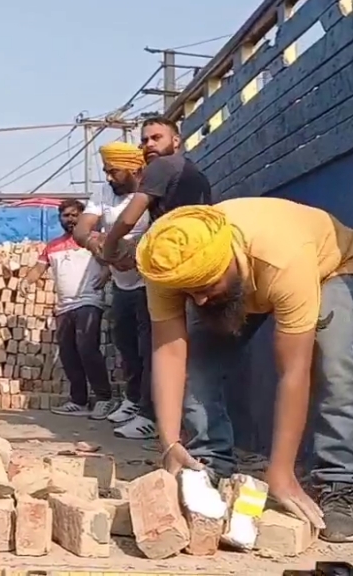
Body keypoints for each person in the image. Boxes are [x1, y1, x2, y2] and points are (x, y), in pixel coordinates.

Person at [136, 198, 353, 542]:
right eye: (190, 292)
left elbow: (294, 371)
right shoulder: (168, 261)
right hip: (252, 278)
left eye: (207, 287)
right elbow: (170, 352)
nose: (201, 300)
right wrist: (169, 442)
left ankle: (339, 480)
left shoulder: (283, 258)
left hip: (330, 267)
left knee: (338, 369)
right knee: (198, 361)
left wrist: (279, 471)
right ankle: (207, 465)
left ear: (230, 260)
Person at [74, 141, 156, 439]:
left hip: (149, 283)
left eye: (114, 171)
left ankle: (150, 413)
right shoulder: (104, 193)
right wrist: (101, 249)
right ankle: (133, 401)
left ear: (134, 168)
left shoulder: (150, 190)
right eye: (107, 171)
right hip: (121, 284)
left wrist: (131, 250)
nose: (109, 177)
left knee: (149, 350)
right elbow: (82, 230)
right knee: (127, 346)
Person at [20, 199, 115, 419]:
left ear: (83, 217)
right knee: (68, 353)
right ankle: (79, 400)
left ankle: (104, 398)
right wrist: (26, 282)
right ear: (60, 218)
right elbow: (38, 269)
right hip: (64, 307)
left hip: (89, 301)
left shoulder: (94, 240)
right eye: (66, 215)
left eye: (74, 215)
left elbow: (112, 258)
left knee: (86, 347)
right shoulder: (52, 246)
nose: (70, 219)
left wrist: (106, 272)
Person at [101, 115, 212, 264]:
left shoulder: (161, 165)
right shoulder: (190, 167)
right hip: (202, 251)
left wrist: (109, 245)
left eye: (156, 138)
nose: (150, 144)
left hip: (178, 255)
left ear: (176, 141)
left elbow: (127, 220)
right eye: (145, 140)